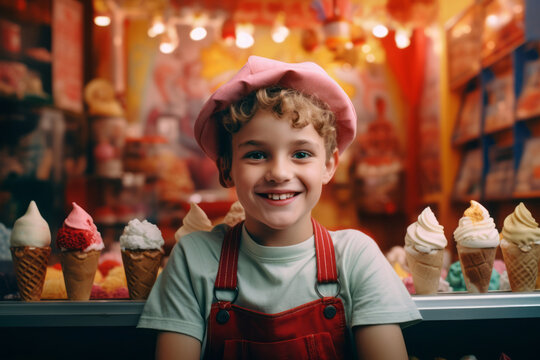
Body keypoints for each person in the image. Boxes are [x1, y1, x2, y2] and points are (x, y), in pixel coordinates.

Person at [138, 56, 421, 359]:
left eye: (300, 153)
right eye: (257, 155)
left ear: (328, 165)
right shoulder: (193, 260)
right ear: (226, 167)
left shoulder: (356, 258)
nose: (280, 172)